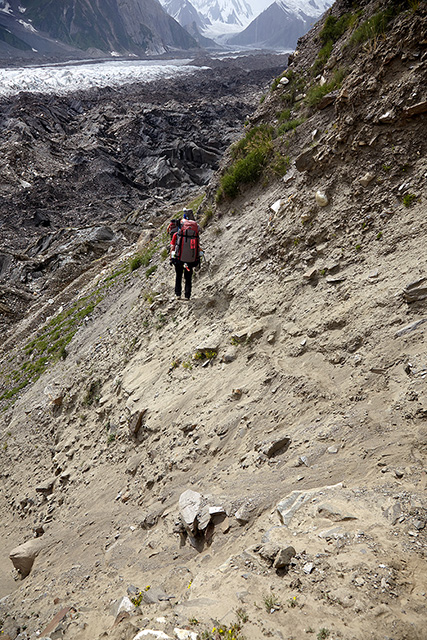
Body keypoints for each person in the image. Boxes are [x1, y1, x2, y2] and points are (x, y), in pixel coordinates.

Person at [170, 213, 200, 300]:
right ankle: (187, 296)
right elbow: (197, 246)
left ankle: (178, 294)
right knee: (188, 277)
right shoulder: (194, 235)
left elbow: (172, 247)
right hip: (190, 259)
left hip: (179, 259)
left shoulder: (177, 235)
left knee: (178, 276)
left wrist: (171, 258)